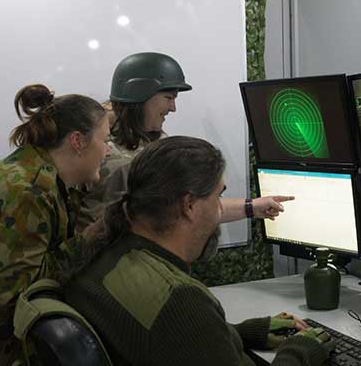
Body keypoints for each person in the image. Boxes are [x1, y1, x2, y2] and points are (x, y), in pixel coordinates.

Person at [65, 136, 333, 365]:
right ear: (189, 205)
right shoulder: (180, 299)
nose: (219, 209)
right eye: (217, 197)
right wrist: (300, 351)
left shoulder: (104, 253)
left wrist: (236, 333)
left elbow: (163, 339)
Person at [0, 84, 110, 366]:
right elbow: (18, 292)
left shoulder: (34, 172)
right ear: (78, 141)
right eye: (104, 140)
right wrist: (90, 239)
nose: (108, 151)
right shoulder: (27, 193)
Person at [77, 52, 292, 233]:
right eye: (169, 98)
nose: (172, 108)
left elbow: (192, 206)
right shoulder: (115, 162)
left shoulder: (148, 140)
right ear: (141, 97)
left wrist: (252, 207)